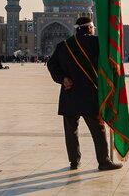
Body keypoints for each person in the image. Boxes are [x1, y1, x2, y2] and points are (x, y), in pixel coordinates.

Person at [47, 16, 122, 171]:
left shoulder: (63, 46)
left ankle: (74, 162)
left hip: (70, 95)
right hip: (90, 96)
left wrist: (63, 78)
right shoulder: (95, 42)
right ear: (89, 28)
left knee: (71, 131)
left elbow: (51, 64)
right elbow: (111, 52)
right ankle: (103, 161)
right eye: (93, 28)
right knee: (98, 131)